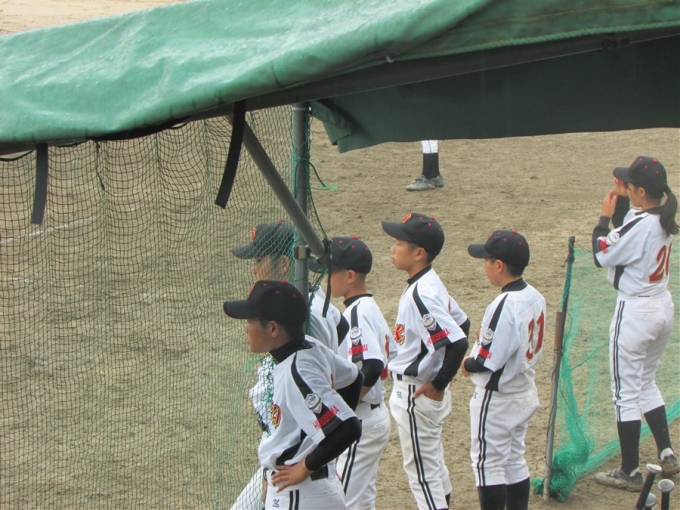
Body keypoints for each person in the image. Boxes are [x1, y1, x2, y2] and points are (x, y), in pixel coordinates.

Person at [229, 220, 349, 510]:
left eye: (259, 260)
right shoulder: (309, 304)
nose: (254, 270)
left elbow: (311, 387)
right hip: (296, 456)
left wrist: (296, 462)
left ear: (284, 264)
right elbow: (342, 330)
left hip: (296, 468)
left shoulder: (303, 319)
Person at [223, 280, 364, 510]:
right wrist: (320, 445)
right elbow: (354, 378)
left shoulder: (296, 370)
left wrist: (306, 464)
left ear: (273, 329)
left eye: (250, 322)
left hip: (300, 494)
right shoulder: (310, 347)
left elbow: (349, 427)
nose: (245, 329)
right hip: (311, 489)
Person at [591, 156, 679, 491]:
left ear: (642, 191)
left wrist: (603, 218)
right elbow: (628, 228)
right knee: (645, 383)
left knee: (624, 394)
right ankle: (667, 453)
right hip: (661, 307)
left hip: (636, 313)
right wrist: (622, 200)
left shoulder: (642, 225)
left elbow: (601, 253)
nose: (625, 187)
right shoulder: (661, 216)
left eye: (629, 185)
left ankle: (629, 471)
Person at [381, 212, 470, 510]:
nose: (392, 248)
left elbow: (459, 340)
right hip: (421, 391)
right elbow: (463, 322)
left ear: (419, 253)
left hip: (416, 392)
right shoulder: (429, 281)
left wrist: (439, 382)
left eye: (398, 243)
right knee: (432, 465)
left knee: (422, 474)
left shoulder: (421, 293)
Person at [461, 230, 546, 510]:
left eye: (486, 260)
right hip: (524, 389)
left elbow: (485, 361)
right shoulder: (536, 296)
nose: (484, 265)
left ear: (499, 265)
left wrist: (466, 364)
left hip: (499, 399)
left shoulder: (504, 305)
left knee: (487, 464)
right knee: (513, 458)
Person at [313, 236, 394, 510]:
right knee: (362, 501)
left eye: (330, 271)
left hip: (363, 421)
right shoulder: (368, 307)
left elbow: (373, 365)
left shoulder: (356, 314)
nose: (325, 278)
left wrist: (344, 409)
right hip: (373, 416)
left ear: (349, 276)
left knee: (341, 503)